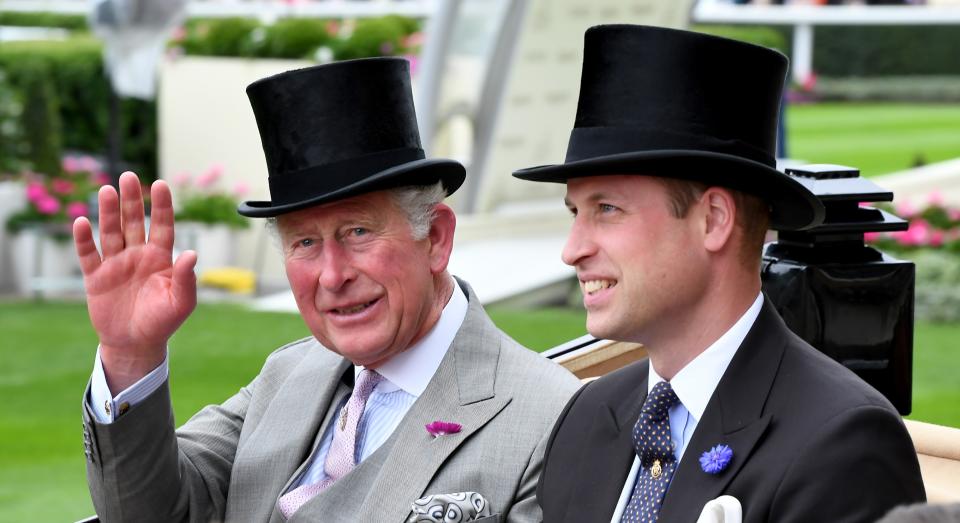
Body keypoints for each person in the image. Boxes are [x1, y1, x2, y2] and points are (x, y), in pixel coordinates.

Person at [75, 57, 579, 522]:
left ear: (436, 239)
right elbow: (149, 513)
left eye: (358, 232)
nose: (332, 275)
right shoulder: (286, 376)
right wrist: (130, 354)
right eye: (306, 243)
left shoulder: (551, 419)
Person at [512, 25, 926, 522]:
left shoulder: (839, 443)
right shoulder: (589, 415)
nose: (572, 249)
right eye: (573, 213)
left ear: (713, 220)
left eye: (607, 209)